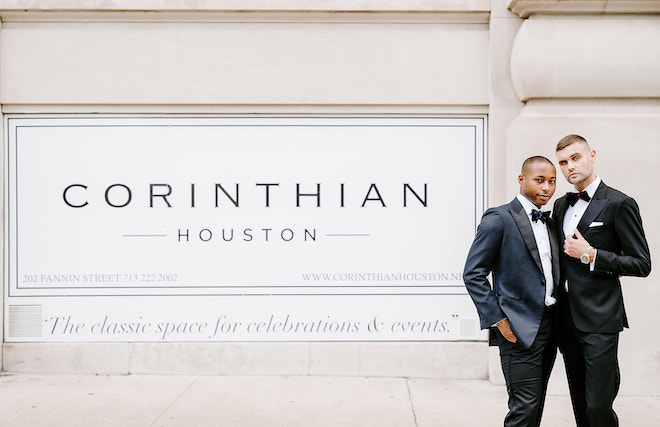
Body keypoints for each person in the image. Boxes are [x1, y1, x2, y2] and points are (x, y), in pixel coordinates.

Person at [552, 134, 651, 426]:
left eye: (576, 157)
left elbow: (641, 263)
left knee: (598, 405)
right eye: (563, 162)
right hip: (566, 317)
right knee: (580, 404)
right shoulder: (560, 206)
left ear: (592, 154)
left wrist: (592, 254)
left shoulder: (619, 203)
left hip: (600, 319)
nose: (570, 166)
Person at [464, 156, 560, 426]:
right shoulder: (499, 218)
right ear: (522, 179)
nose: (547, 188)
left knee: (535, 405)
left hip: (550, 326)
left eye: (552, 181)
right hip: (517, 327)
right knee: (523, 409)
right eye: (539, 180)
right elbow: (473, 273)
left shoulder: (551, 222)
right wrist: (497, 319)